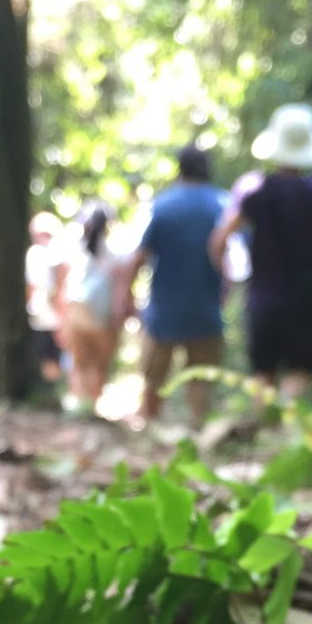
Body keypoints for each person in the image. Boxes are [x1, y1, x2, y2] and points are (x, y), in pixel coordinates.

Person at [210, 104, 312, 400]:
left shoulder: (255, 191)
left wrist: (225, 275)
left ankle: (266, 429)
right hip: (306, 298)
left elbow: (219, 239)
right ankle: (288, 425)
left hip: (263, 297)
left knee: (262, 373)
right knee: (300, 369)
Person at [125, 144, 228, 429]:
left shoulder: (162, 205)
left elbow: (139, 257)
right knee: (201, 377)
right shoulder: (222, 204)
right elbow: (231, 258)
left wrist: (127, 296)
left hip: (164, 310)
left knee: (153, 377)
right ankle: (199, 429)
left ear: (179, 168)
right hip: (206, 307)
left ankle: (150, 429)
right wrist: (225, 292)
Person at [63, 202, 125, 411]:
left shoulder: (75, 251)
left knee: (80, 363)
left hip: (77, 315)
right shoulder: (117, 253)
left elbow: (65, 288)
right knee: (99, 364)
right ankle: (92, 406)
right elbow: (121, 289)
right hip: (103, 317)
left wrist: (63, 321)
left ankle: (81, 406)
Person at [25, 211, 68, 386]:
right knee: (52, 355)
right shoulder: (60, 253)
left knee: (50, 355)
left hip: (48, 314)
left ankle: (53, 389)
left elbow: (32, 285)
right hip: (52, 313)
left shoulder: (38, 253)